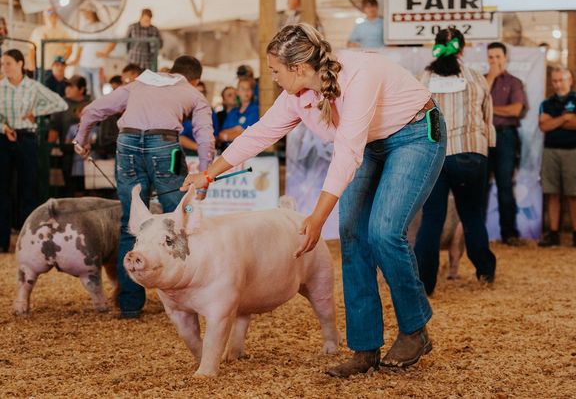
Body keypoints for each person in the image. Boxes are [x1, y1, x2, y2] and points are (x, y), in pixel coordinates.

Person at [181, 23, 446, 377]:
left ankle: (414, 330)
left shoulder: (358, 76)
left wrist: (318, 218)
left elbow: (347, 152)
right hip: (370, 144)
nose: (272, 77)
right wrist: (209, 172)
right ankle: (365, 347)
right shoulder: (297, 95)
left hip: (415, 133)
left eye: (275, 70)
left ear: (297, 68)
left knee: (383, 231)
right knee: (352, 232)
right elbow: (260, 133)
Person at [73, 55, 215, 318]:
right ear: (195, 79)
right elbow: (205, 139)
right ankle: (188, 295)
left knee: (131, 222)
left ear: (171, 71)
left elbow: (92, 110)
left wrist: (81, 140)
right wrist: (205, 176)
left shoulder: (139, 84)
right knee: (179, 220)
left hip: (126, 144)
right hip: (165, 147)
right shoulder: (192, 93)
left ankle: (129, 305)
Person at [414, 27, 496, 295]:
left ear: (436, 46)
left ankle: (425, 284)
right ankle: (485, 272)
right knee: (472, 216)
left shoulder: (424, 79)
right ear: (463, 48)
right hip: (471, 154)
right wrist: (487, 148)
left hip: (433, 155)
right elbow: (488, 119)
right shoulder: (476, 78)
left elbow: (413, 118)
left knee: (432, 219)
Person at [0, 49, 68, 253]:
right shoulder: (0, 87)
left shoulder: (32, 86)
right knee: (2, 189)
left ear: (20, 64)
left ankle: (29, 240)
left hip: (27, 138)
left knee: (28, 188)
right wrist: (3, 128)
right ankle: (2, 241)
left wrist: (35, 112)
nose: (4, 68)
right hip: (3, 138)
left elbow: (61, 103)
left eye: (8, 63)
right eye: (2, 64)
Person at [538, 67, 576, 248]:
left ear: (570, 81)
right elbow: (543, 126)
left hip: (573, 151)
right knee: (552, 193)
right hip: (550, 151)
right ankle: (553, 233)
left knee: (574, 193)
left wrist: (554, 121)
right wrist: (565, 118)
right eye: (555, 81)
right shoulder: (546, 103)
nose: (558, 84)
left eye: (561, 80)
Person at [485, 42, 528, 246]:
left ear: (505, 58)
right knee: (478, 186)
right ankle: (476, 234)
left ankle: (509, 234)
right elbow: (475, 107)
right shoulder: (482, 81)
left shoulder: (514, 82)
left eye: (497, 57)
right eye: (491, 57)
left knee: (504, 185)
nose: (494, 61)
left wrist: (489, 109)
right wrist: (491, 78)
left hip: (505, 136)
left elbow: (515, 110)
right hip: (483, 136)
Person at [48, 75, 91, 196]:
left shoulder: (90, 104)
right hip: (68, 154)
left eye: (71, 86)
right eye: (67, 86)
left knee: (89, 187)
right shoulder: (61, 105)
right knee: (70, 186)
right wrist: (49, 149)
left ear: (81, 89)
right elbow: (53, 129)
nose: (67, 89)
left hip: (89, 154)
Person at [70, 6, 116, 99]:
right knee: (87, 89)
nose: (85, 14)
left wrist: (105, 53)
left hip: (97, 64)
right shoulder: (84, 28)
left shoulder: (102, 26)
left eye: (87, 11)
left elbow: (113, 41)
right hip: (84, 63)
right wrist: (76, 59)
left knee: (97, 89)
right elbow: (80, 46)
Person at [27, 7, 72, 77]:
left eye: (54, 13)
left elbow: (69, 49)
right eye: (49, 13)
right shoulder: (38, 31)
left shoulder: (63, 31)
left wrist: (61, 62)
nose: (52, 16)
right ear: (44, 16)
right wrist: (31, 64)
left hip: (57, 69)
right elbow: (31, 49)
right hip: (41, 67)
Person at [217, 78, 259, 148]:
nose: (246, 91)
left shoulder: (255, 109)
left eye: (248, 89)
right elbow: (221, 134)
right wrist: (237, 130)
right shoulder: (233, 112)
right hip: (228, 151)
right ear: (237, 92)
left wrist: (227, 136)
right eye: (242, 89)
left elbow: (247, 135)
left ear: (252, 92)